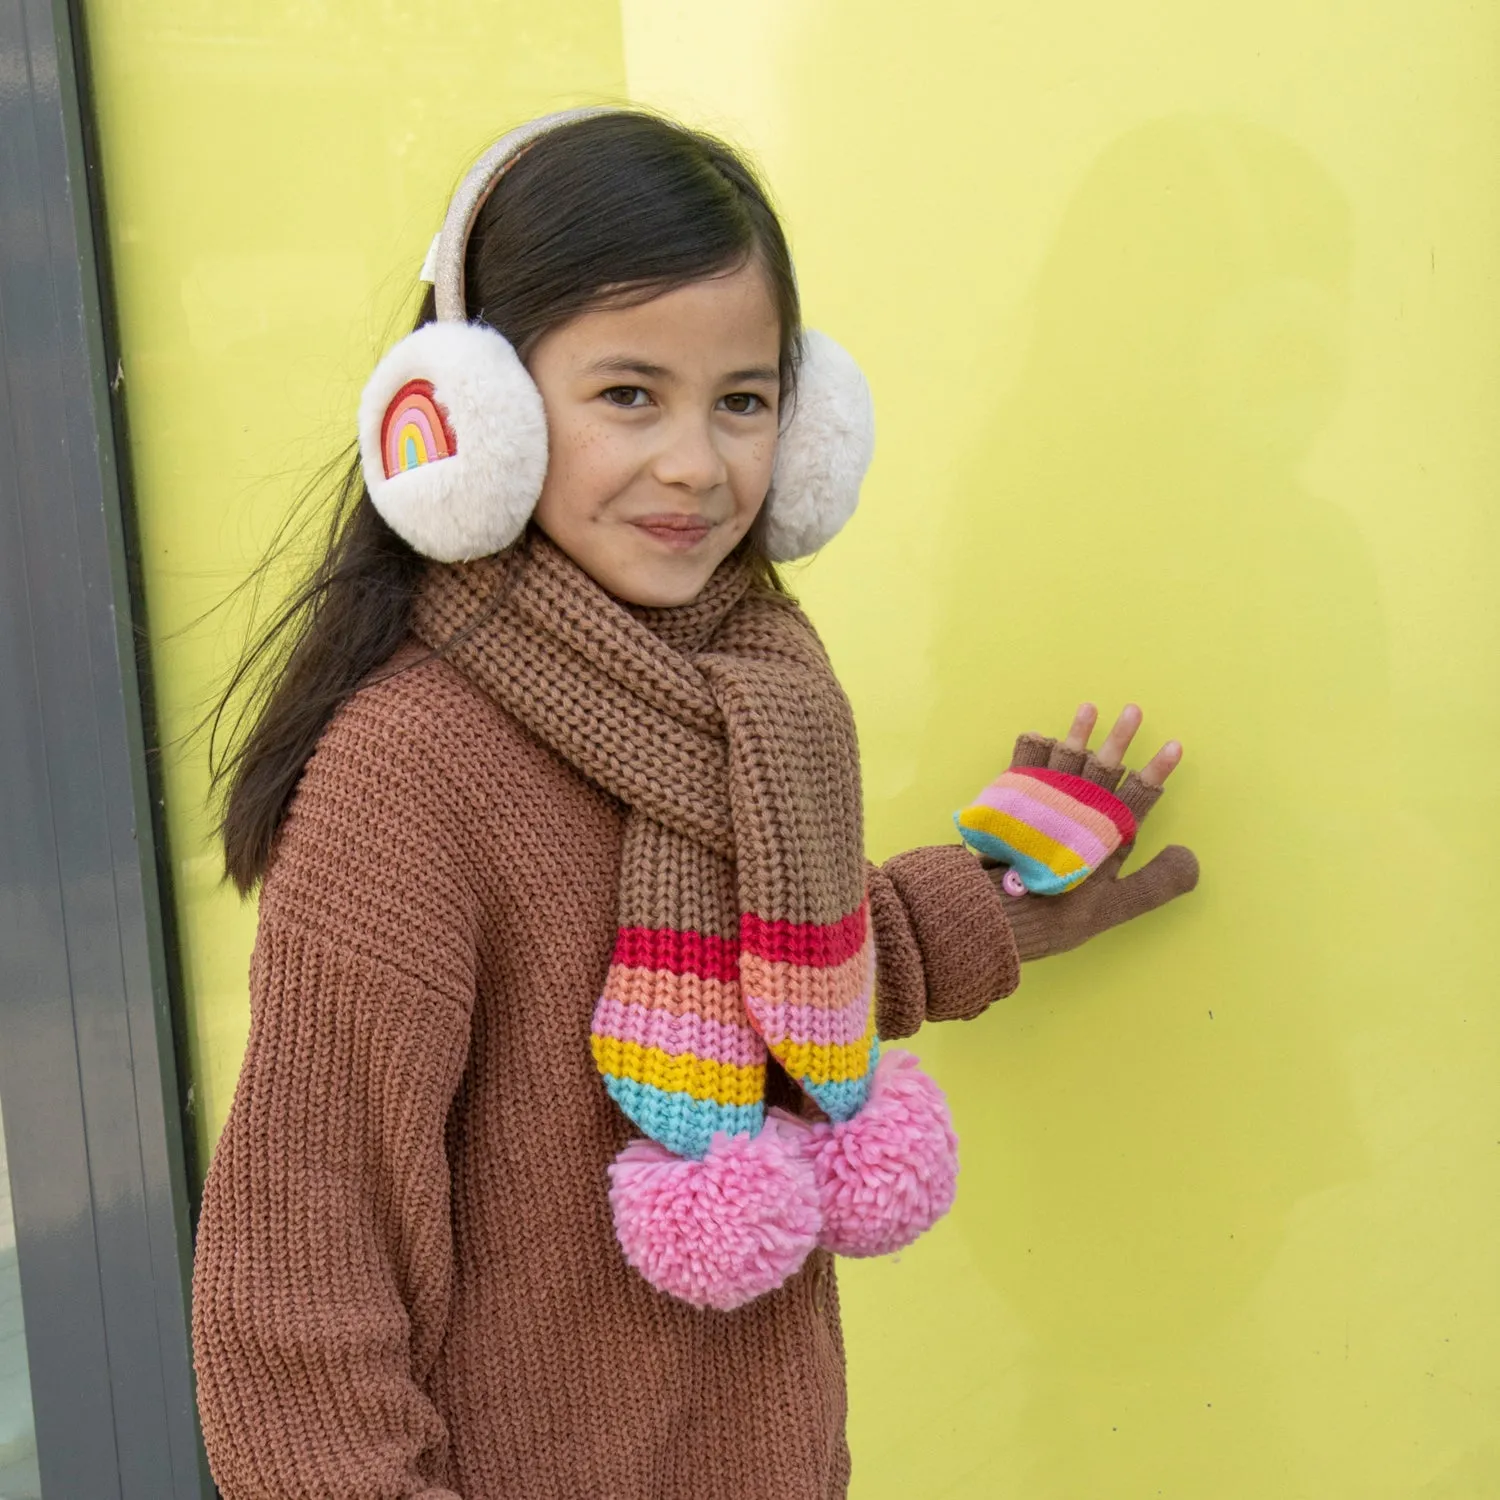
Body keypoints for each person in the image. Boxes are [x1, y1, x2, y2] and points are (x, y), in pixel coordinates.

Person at [189, 105, 1199, 1500]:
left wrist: (1006, 888)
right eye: (628, 395)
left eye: (744, 398)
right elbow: (302, 1263)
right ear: (474, 414)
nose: (697, 465)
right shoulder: (410, 770)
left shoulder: (757, 695)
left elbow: (771, 988)